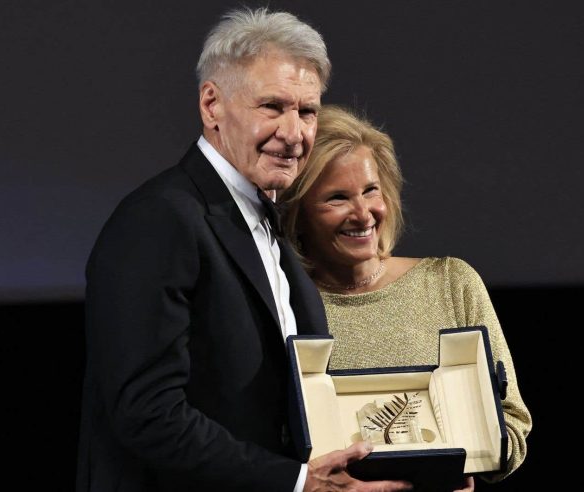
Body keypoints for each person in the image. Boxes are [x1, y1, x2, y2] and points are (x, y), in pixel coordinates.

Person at [76, 8, 413, 492]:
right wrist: (298, 482)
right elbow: (148, 413)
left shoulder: (263, 217)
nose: (295, 134)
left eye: (307, 111)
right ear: (212, 105)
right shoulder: (160, 219)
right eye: (272, 107)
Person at [278, 105, 533, 488]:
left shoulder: (450, 283)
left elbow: (512, 424)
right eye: (337, 198)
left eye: (370, 191)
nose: (363, 214)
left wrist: (466, 461)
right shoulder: (283, 304)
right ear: (299, 213)